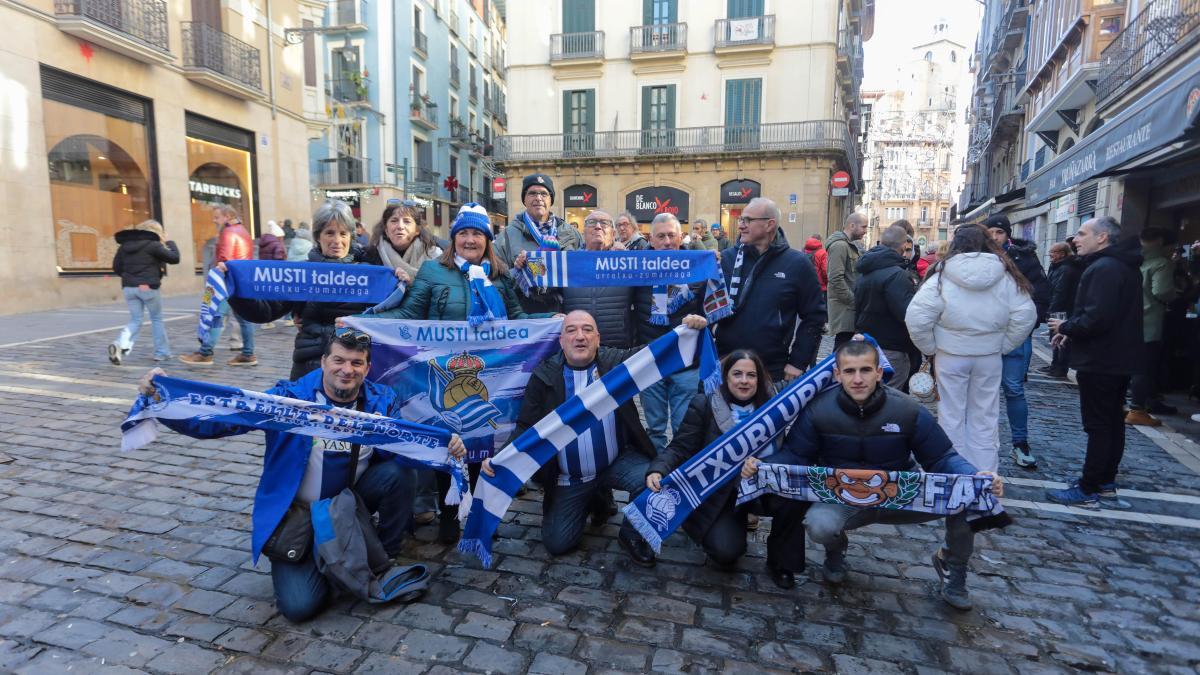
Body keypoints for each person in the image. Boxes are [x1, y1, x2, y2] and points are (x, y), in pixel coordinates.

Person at [137, 329, 466, 622]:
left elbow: (403, 450)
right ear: (323, 362)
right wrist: (161, 399)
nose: (346, 370)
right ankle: (322, 558)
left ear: (367, 368)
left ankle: (382, 556)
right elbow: (218, 420)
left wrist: (445, 449)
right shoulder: (288, 400)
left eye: (356, 363)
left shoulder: (381, 402)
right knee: (299, 608)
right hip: (299, 517)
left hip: (348, 506)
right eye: (339, 360)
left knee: (397, 472)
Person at [752, 339, 1004, 610]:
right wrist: (760, 464)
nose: (857, 379)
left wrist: (976, 476)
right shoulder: (817, 410)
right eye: (849, 371)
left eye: (865, 370)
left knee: (968, 495)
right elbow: (796, 455)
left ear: (879, 372)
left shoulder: (908, 409)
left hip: (902, 495)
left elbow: (942, 457)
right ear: (837, 375)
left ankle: (951, 565)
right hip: (844, 496)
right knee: (819, 525)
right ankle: (835, 549)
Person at [371, 204, 553, 543]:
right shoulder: (432, 271)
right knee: (447, 442)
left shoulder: (498, 277)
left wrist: (556, 322)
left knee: (483, 445)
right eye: (464, 233)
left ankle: (480, 514)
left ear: (487, 239)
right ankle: (450, 514)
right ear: (454, 238)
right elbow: (409, 315)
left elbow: (516, 318)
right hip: (441, 372)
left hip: (490, 376)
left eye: (477, 234)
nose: (470, 240)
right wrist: (364, 322)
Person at [483, 310, 710, 566]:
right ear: (561, 341)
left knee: (657, 479)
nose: (580, 336)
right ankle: (595, 496)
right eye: (571, 330)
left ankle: (630, 535)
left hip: (617, 461)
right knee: (558, 544)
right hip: (570, 476)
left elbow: (653, 353)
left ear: (598, 338)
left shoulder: (616, 364)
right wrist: (500, 459)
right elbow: (526, 426)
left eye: (587, 330)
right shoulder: (544, 376)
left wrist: (688, 330)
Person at [645, 350, 809, 588]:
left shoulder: (775, 404)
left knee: (795, 498)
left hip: (765, 486)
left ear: (760, 379)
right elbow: (681, 447)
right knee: (725, 553)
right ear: (725, 377)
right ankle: (732, 525)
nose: (744, 381)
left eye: (751, 375)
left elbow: (813, 383)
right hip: (724, 493)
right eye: (737, 374)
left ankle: (780, 562)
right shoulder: (705, 404)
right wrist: (657, 469)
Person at [904, 224, 1036, 474]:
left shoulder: (942, 275)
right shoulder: (1005, 274)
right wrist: (1003, 346)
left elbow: (917, 317)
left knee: (950, 416)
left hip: (951, 355)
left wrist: (931, 348)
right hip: (988, 355)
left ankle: (953, 475)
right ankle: (985, 477)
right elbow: (1025, 314)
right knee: (985, 417)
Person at [227, 200, 391, 378]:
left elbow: (387, 320)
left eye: (343, 234)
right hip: (309, 367)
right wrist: (235, 287)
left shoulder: (370, 273)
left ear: (351, 237)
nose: (337, 240)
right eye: (329, 233)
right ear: (318, 236)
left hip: (352, 369)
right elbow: (264, 312)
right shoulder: (303, 274)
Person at [1047, 217, 1143, 507]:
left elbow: (1096, 318)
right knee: (1112, 422)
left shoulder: (1104, 268)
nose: (1075, 239)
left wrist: (1065, 328)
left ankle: (1089, 487)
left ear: (1102, 238)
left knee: (1100, 425)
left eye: (1081, 233)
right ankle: (1104, 482)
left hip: (1101, 359)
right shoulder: (1119, 265)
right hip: (1115, 357)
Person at [715, 197, 826, 383]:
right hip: (725, 365)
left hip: (771, 370)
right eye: (741, 219)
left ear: (769, 225)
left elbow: (814, 316)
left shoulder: (797, 264)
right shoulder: (725, 260)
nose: (741, 225)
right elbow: (705, 305)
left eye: (748, 220)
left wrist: (798, 361)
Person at [633, 213, 709, 454]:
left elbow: (713, 309)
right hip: (650, 360)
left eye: (672, 235)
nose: (667, 241)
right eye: (661, 236)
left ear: (680, 237)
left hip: (685, 363)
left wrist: (703, 320)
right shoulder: (635, 267)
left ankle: (681, 478)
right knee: (654, 428)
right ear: (651, 240)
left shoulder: (698, 266)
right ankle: (655, 478)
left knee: (683, 427)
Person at [983, 215, 1052, 469]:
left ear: (1007, 235)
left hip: (1015, 337)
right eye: (989, 231)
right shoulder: (974, 258)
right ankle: (981, 445)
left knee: (1013, 389)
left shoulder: (1024, 258)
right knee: (981, 393)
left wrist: (1027, 325)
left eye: (999, 232)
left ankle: (1020, 443)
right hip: (984, 338)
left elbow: (1042, 293)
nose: (994, 237)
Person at [494, 173, 583, 314]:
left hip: (565, 313)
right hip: (526, 316)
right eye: (532, 193)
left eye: (544, 193)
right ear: (524, 199)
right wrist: (517, 271)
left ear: (551, 199)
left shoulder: (571, 233)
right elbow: (496, 280)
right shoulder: (506, 236)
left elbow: (585, 268)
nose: (538, 198)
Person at [181, 205, 257, 367]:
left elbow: (225, 260)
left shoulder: (228, 232)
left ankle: (205, 353)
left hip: (227, 281)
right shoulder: (243, 230)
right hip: (242, 281)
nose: (214, 220)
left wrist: (217, 276)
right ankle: (248, 353)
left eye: (217, 217)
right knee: (244, 319)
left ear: (227, 216)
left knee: (216, 315)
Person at [108, 220, 181, 365]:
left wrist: (131, 278)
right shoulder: (153, 245)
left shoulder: (124, 246)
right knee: (156, 319)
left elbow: (116, 267)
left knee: (135, 320)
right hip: (147, 287)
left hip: (129, 288)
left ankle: (120, 344)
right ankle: (162, 353)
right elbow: (174, 258)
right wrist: (169, 241)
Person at [560, 210, 635, 348]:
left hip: (617, 346)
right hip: (577, 345)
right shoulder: (568, 262)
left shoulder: (627, 262)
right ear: (583, 233)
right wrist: (525, 264)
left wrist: (626, 259)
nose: (598, 226)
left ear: (613, 234)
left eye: (604, 223)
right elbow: (544, 293)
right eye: (592, 223)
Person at [853, 225, 916, 384]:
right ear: (903, 245)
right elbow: (906, 314)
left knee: (870, 393)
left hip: (867, 342)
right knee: (887, 398)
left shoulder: (865, 270)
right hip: (891, 348)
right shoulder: (897, 275)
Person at [1127, 228, 1177, 426]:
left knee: (1130, 365)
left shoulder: (1133, 260)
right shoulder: (1161, 263)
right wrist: (1176, 294)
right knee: (1144, 367)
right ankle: (1137, 409)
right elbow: (1162, 291)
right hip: (1149, 322)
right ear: (1160, 241)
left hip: (1129, 320)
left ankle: (1129, 404)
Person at [361, 201, 444, 278]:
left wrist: (412, 283)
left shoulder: (434, 256)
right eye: (394, 221)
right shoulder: (369, 256)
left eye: (407, 221)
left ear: (417, 230)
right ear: (386, 230)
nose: (400, 226)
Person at [825, 213, 868, 350]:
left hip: (849, 308)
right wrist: (854, 301)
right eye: (863, 227)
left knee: (846, 350)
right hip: (846, 309)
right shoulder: (839, 246)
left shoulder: (848, 245)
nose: (865, 231)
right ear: (852, 225)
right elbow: (835, 279)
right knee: (842, 351)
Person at [1041, 241, 1083, 378]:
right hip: (1058, 307)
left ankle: (1060, 368)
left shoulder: (1066, 269)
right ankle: (1055, 365)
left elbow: (1061, 292)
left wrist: (1050, 310)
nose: (1050, 255)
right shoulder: (1057, 266)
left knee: (1061, 339)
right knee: (1054, 337)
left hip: (1063, 309)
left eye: (1053, 252)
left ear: (1062, 254)